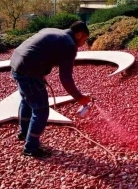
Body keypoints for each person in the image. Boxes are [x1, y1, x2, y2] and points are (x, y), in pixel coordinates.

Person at [10, 21, 92, 158]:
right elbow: (66, 78)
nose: (83, 43)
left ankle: (24, 133)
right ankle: (30, 148)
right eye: (84, 39)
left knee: (27, 101)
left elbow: (39, 50)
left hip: (16, 63)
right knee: (41, 110)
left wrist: (41, 72)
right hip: (28, 70)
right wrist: (79, 97)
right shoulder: (69, 45)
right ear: (78, 34)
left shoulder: (53, 30)